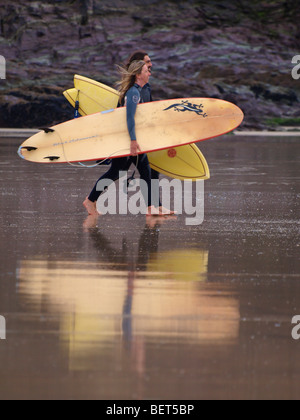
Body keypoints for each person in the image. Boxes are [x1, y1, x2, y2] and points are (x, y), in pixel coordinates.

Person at [83, 60, 166, 217]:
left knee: (144, 171)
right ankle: (90, 200)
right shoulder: (133, 93)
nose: (149, 73)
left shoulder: (138, 91)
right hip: (127, 140)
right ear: (138, 75)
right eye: (146, 71)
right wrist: (133, 141)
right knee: (115, 172)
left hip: (131, 139)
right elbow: (129, 119)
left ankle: (150, 207)